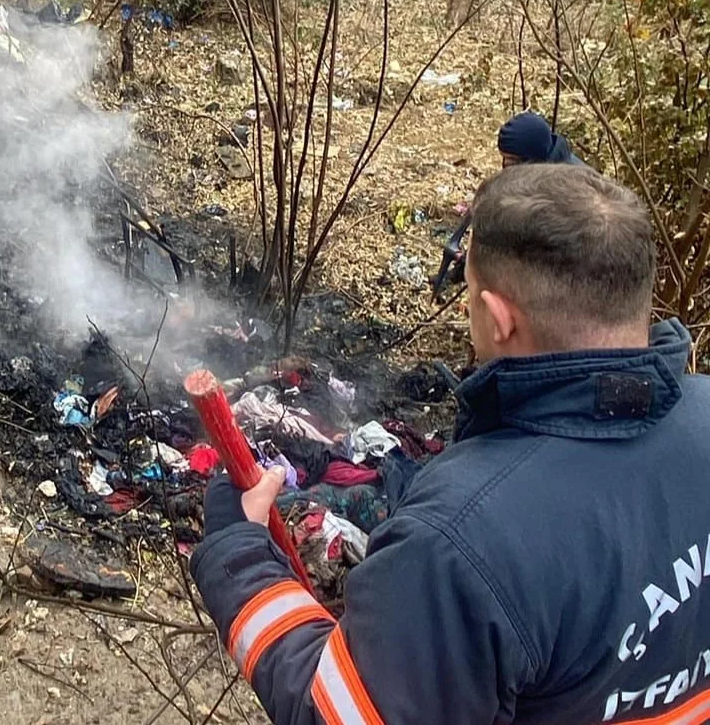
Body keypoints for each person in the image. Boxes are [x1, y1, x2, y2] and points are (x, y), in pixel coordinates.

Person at [193, 163, 710, 725]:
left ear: (498, 317)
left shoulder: (459, 542)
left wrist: (238, 553)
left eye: (468, 297)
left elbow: (335, 714)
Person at [431, 112, 584, 295]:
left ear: (529, 159)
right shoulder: (540, 165)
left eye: (510, 162)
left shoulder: (568, 193)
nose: (504, 167)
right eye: (503, 159)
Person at [497, 110, 584, 167]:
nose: (505, 164)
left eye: (512, 160)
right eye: (504, 157)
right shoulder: (539, 166)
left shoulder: (571, 186)